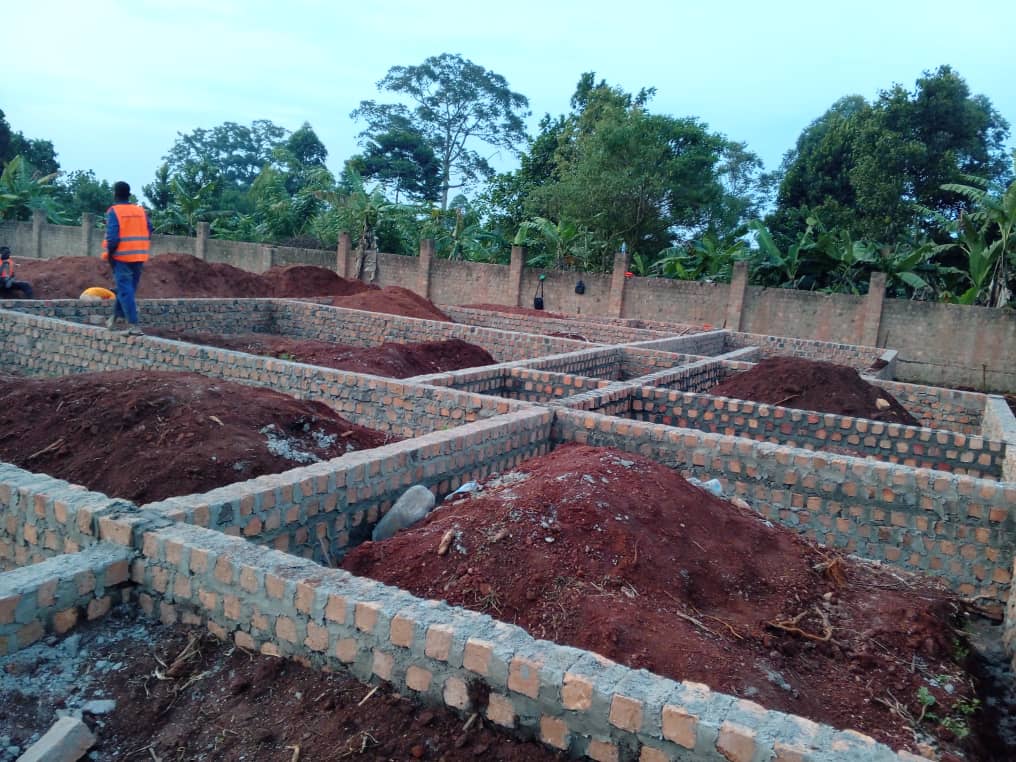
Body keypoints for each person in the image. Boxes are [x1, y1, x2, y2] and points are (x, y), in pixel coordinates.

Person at [102, 181, 151, 335]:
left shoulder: (114, 211)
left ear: (115, 194)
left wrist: (110, 255)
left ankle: (134, 325)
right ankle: (114, 318)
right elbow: (149, 229)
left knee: (125, 290)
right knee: (127, 290)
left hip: (121, 257)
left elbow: (112, 238)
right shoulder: (140, 211)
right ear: (129, 195)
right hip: (139, 256)